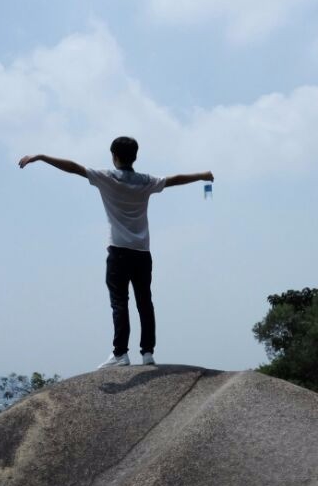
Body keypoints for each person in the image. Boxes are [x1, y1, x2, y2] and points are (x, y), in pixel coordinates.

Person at [18, 137, 214, 369]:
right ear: (136, 156)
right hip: (142, 252)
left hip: (119, 252)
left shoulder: (106, 178)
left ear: (114, 155)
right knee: (145, 302)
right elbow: (175, 179)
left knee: (120, 302)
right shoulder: (146, 182)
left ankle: (121, 354)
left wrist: (41, 157)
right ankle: (148, 352)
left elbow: (74, 168)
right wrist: (202, 175)